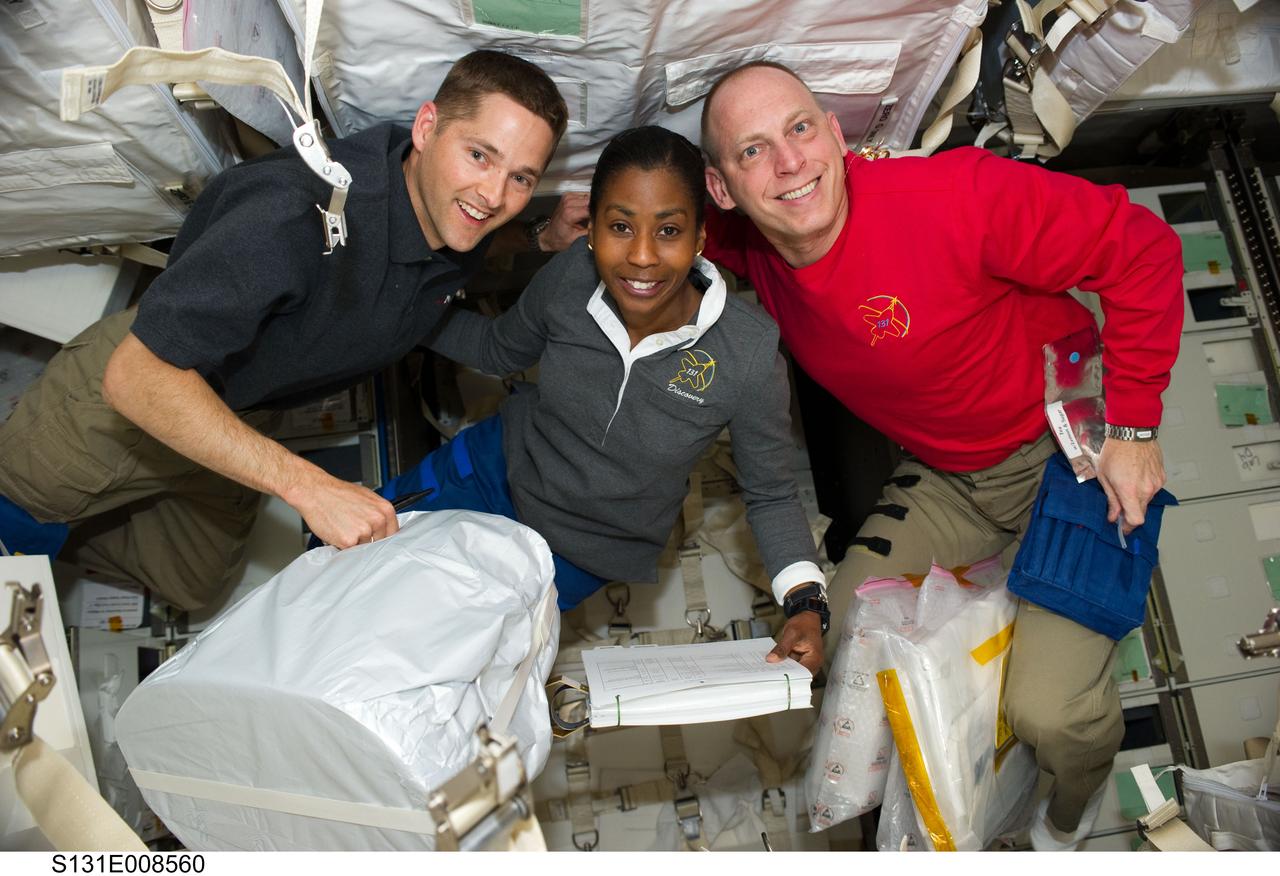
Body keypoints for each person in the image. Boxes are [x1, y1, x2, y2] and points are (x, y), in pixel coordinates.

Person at [697, 61, 1183, 848]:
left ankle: (1066, 818)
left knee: (1051, 714)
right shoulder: (749, 239)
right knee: (835, 641)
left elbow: (1144, 248)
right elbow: (648, 222)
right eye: (752, 151)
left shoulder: (954, 196)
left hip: (1070, 451)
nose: (787, 164)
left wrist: (1133, 430)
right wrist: (564, 228)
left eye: (799, 129)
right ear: (723, 189)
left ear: (835, 133)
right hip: (952, 474)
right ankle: (950, 800)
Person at [0, 50, 588, 611]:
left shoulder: (451, 213)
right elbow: (135, 374)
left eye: (521, 178)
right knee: (18, 536)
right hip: (145, 387)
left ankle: (67, 531)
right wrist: (309, 486)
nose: (493, 196)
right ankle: (47, 524)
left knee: (193, 581)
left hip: (242, 413)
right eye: (480, 155)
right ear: (427, 127)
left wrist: (539, 238)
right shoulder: (289, 212)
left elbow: (476, 242)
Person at [391, 126, 828, 670]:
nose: (641, 256)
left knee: (426, 658)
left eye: (668, 230)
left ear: (699, 237)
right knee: (345, 562)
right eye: (620, 226)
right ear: (593, 229)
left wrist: (806, 604)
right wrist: (397, 311)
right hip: (486, 474)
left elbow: (772, 493)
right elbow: (497, 348)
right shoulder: (571, 276)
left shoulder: (747, 351)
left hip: (573, 557)